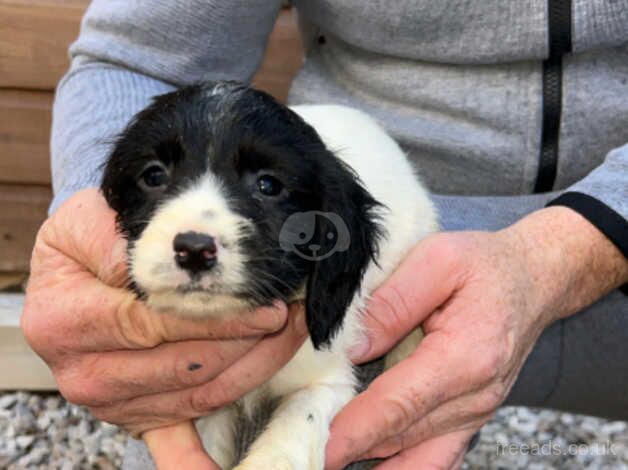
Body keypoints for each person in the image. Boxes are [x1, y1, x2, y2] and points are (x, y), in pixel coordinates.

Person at [22, 1, 627, 469]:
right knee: (178, 420)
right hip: (307, 256)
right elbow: (135, 57)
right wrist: (92, 238)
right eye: (155, 178)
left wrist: (578, 245)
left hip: (379, 264)